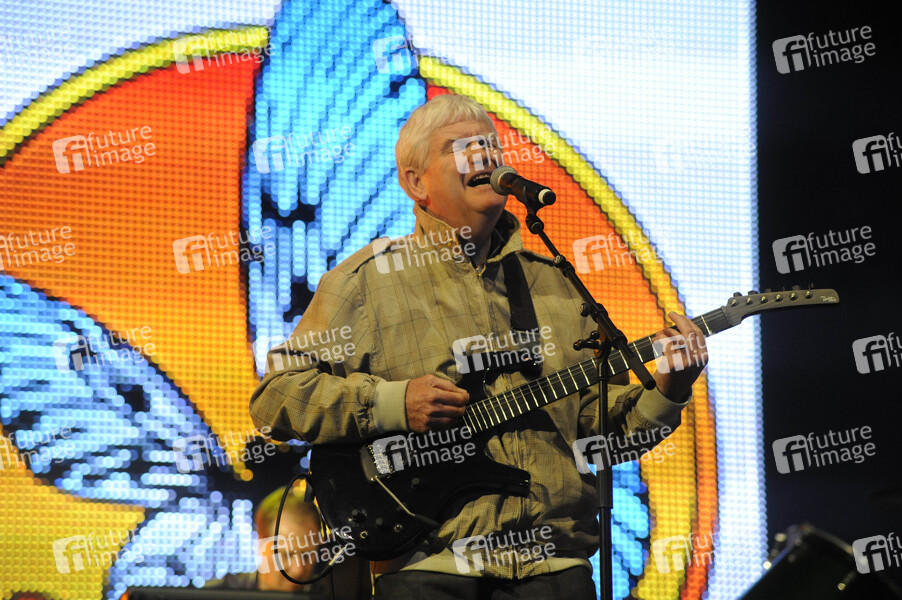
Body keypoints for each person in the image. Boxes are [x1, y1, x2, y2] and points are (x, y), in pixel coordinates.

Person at [249, 93, 708, 599]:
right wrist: (391, 403)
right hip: (429, 572)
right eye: (460, 146)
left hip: (557, 572)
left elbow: (602, 438)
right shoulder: (365, 282)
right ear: (416, 183)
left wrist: (669, 389)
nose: (483, 155)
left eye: (490, 145)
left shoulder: (555, 284)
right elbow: (275, 399)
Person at [205, 484, 328, 595]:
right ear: (260, 545)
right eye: (286, 555)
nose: (298, 570)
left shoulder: (329, 594)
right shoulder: (217, 595)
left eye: (307, 556)